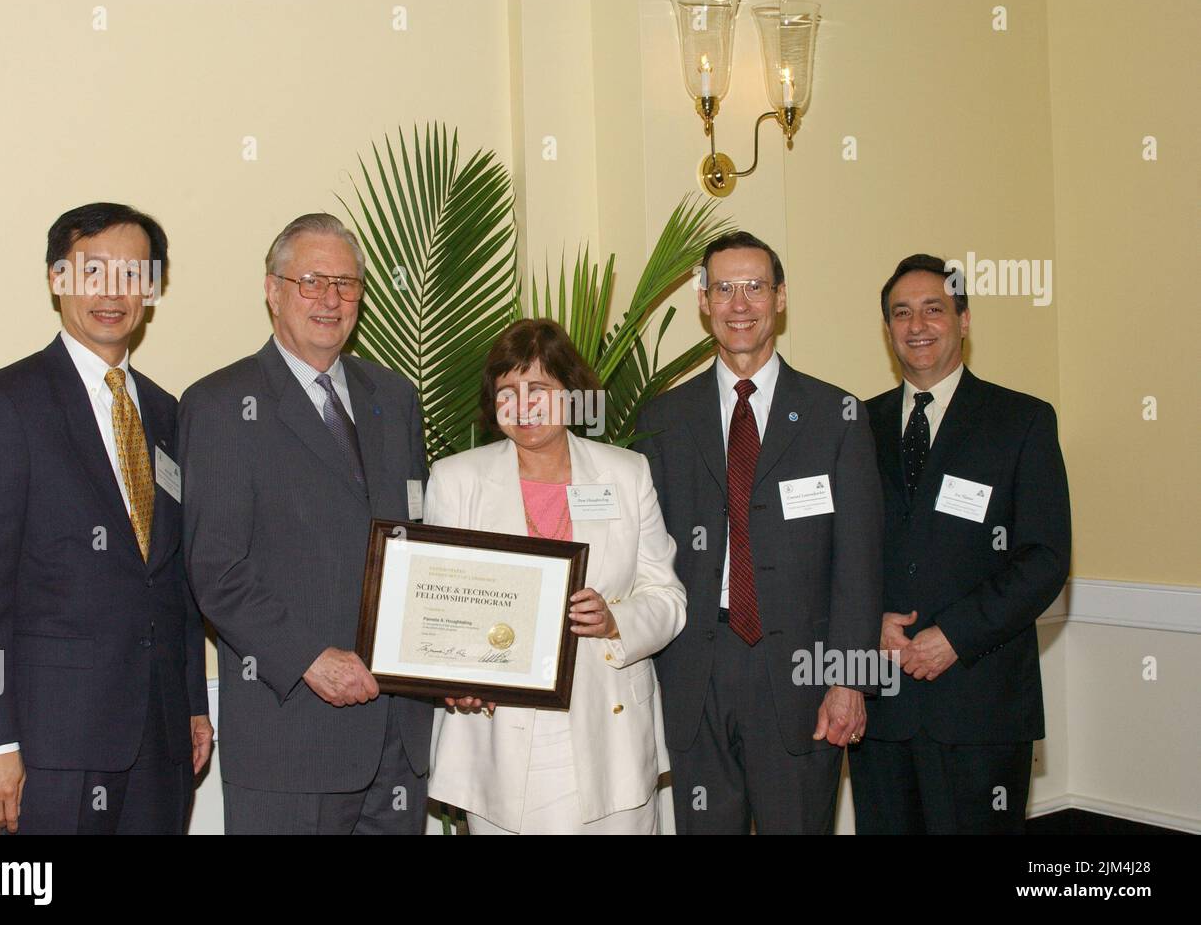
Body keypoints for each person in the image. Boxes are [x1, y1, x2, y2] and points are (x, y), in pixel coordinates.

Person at [0, 202, 212, 834]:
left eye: (132, 273)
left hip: (161, 739)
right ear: (57, 279)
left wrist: (194, 704)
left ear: (152, 289)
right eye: (93, 270)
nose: (112, 291)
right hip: (47, 748)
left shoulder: (170, 415)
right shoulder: (0, 405)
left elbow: (174, 580)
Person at [179, 212, 431, 834]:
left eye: (345, 284)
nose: (330, 299)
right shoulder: (219, 405)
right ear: (272, 290)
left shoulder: (394, 398)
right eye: (311, 281)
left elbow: (418, 543)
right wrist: (309, 658)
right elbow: (216, 570)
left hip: (400, 740)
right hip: (291, 736)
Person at [633, 230, 883, 834]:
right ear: (703, 301)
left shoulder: (837, 416)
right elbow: (641, 552)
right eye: (724, 289)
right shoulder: (665, 418)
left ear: (780, 299)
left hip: (802, 677)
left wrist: (849, 679)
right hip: (695, 672)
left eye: (754, 287)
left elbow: (860, 560)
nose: (739, 304)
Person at [425, 318, 686, 834]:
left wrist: (617, 621)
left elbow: (668, 596)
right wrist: (455, 682)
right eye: (507, 393)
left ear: (571, 393)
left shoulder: (627, 474)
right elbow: (438, 613)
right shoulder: (455, 481)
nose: (523, 407)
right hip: (498, 735)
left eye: (539, 389)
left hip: (608, 733)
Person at [848, 254, 1070, 834]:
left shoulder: (1021, 421)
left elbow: (1044, 558)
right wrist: (868, 621)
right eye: (901, 313)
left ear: (963, 320)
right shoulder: (854, 426)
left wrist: (954, 636)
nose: (917, 326)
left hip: (981, 705)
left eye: (933, 309)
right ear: (887, 328)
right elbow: (832, 550)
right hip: (882, 706)